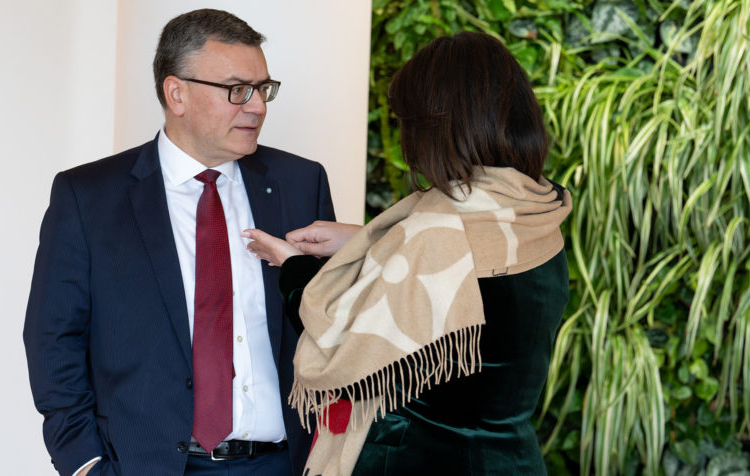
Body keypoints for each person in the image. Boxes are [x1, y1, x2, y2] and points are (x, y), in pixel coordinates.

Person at [244, 31, 572, 475]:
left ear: (433, 126)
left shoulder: (433, 234)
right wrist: (366, 242)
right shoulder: (533, 210)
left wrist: (295, 267)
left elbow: (343, 347)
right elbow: (470, 273)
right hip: (512, 459)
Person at [23, 9, 334, 476]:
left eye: (263, 89)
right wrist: (85, 464)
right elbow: (53, 340)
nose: (257, 106)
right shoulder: (89, 197)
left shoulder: (300, 183)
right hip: (144, 465)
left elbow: (333, 325)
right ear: (177, 93)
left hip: (280, 464)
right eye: (237, 90)